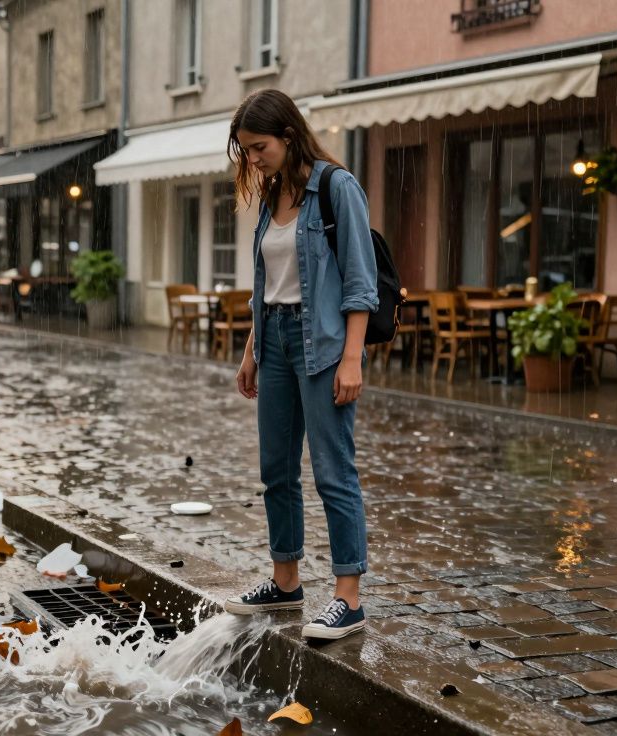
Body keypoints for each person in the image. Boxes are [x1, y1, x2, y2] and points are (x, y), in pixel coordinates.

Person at [221, 89, 378, 641]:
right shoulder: (271, 196)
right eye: (245, 151)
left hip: (324, 345)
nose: (253, 159)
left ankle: (348, 599)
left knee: (334, 473)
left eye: (258, 147)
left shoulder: (337, 189)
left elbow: (360, 284)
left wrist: (352, 359)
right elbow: (268, 282)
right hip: (276, 341)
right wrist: (251, 350)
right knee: (275, 471)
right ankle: (285, 585)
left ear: (289, 135)